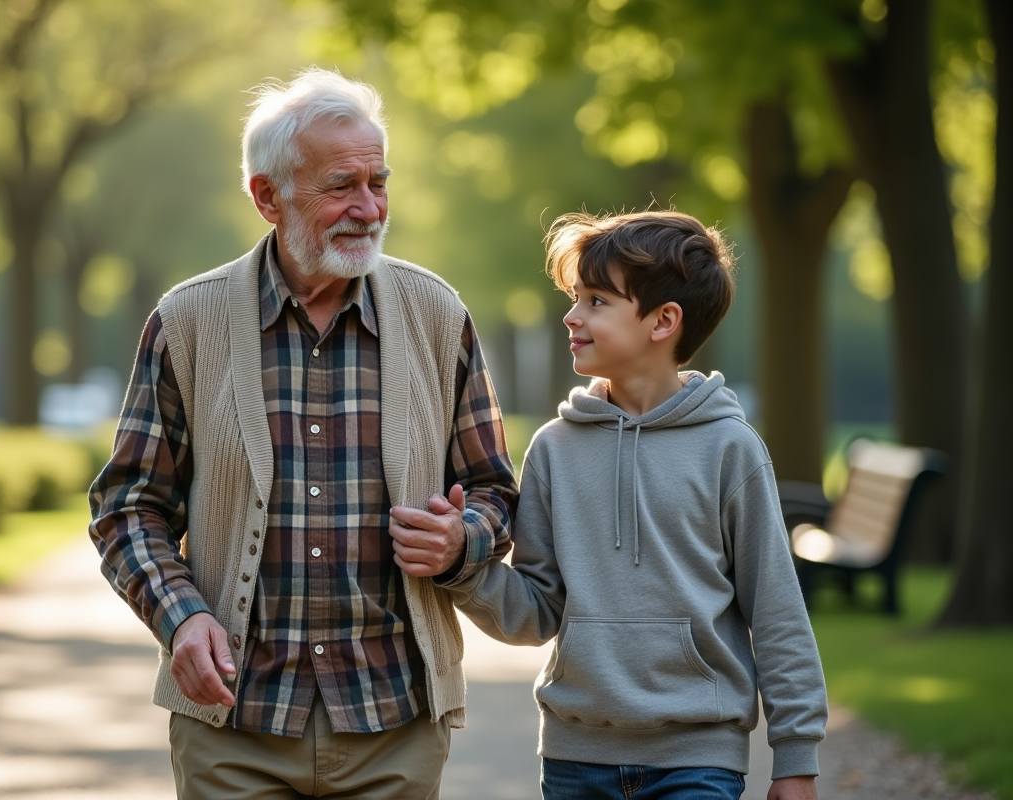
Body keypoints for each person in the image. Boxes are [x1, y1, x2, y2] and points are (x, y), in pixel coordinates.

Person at [88, 68, 517, 800]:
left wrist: (462, 539)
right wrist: (182, 619)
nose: (369, 207)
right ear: (266, 195)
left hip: (395, 722)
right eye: (341, 186)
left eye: (379, 183)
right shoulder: (186, 323)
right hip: (233, 727)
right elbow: (128, 507)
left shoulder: (437, 314)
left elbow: (495, 492)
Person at [439, 210, 827, 800]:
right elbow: (536, 611)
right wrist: (458, 566)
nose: (572, 315)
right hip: (575, 758)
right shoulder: (554, 449)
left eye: (597, 300)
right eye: (575, 297)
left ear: (663, 321)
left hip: (699, 758)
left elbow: (777, 613)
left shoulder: (731, 449)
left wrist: (795, 759)